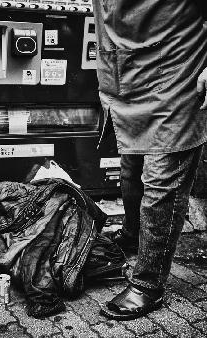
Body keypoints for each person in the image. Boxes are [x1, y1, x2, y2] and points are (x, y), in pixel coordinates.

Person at [92, 0, 207, 320]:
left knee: (162, 181)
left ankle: (148, 283)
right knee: (130, 170)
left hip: (175, 77)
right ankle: (132, 235)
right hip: (126, 73)